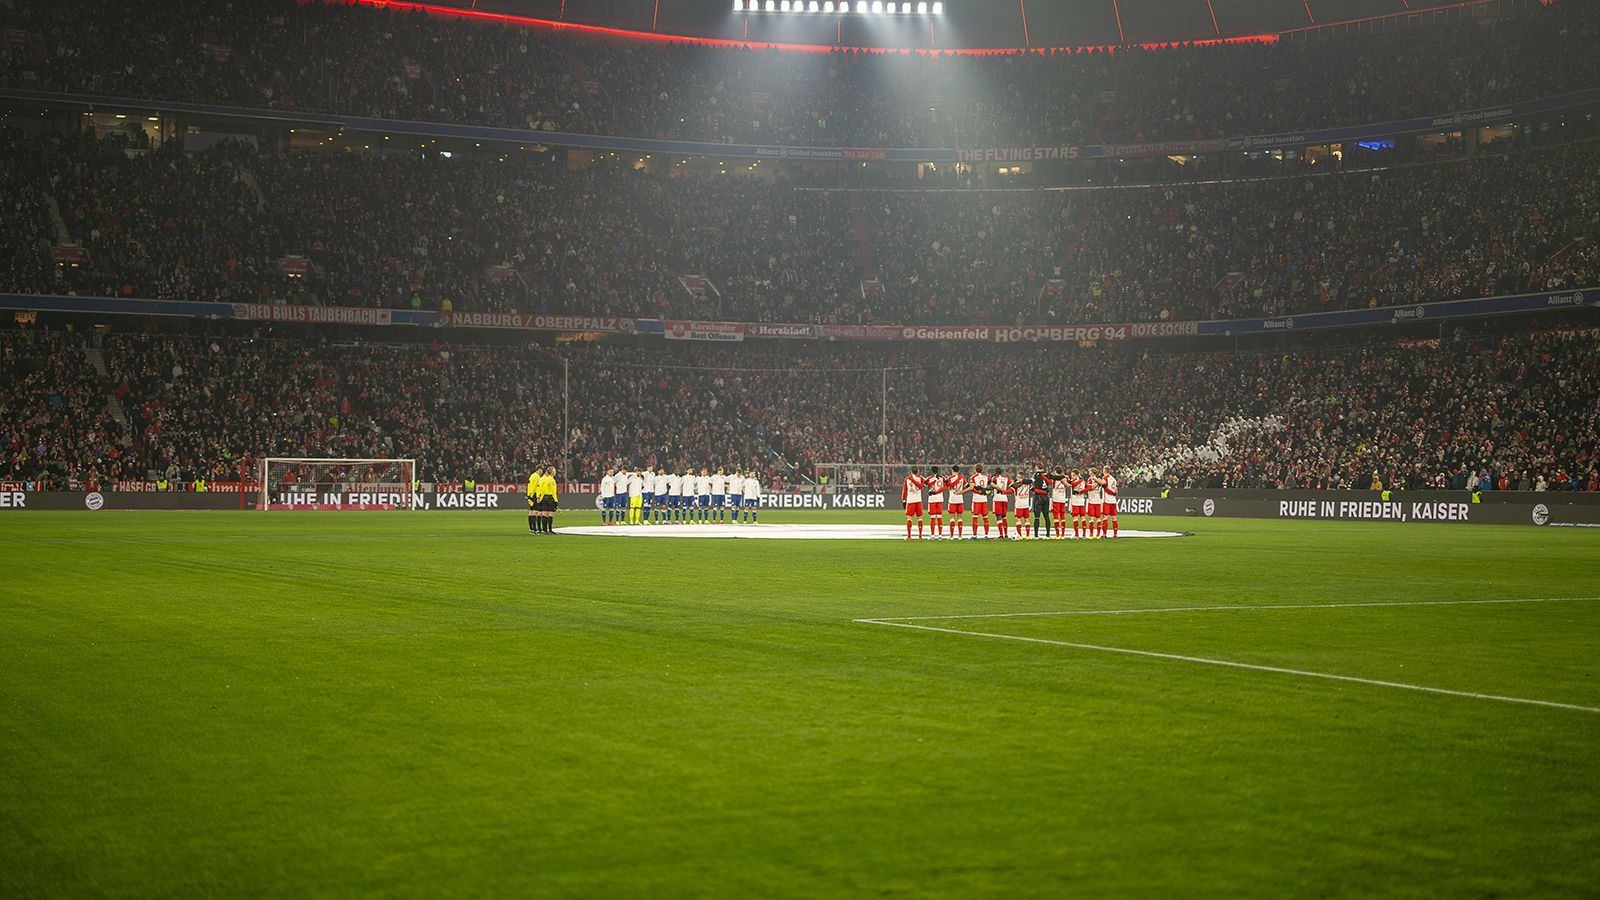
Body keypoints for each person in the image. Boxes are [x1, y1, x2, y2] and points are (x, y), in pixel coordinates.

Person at [902, 466, 925, 541]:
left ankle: (909, 536)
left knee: (909, 518)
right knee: (920, 518)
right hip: (918, 500)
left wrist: (903, 500)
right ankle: (920, 536)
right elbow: (922, 485)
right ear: (917, 471)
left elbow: (904, 491)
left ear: (911, 471)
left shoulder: (907, 479)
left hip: (910, 500)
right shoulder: (921, 478)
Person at [969, 464, 991, 539]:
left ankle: (974, 535)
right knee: (985, 516)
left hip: (976, 499)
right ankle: (986, 535)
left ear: (975, 469)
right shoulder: (986, 476)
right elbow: (989, 487)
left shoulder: (973, 477)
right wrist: (986, 491)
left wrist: (979, 492)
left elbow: (972, 488)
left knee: (975, 516)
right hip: (984, 499)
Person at [946, 465, 967, 539]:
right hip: (960, 499)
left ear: (952, 470)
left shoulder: (949, 478)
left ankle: (951, 536)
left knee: (952, 518)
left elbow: (947, 485)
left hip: (952, 499)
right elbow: (967, 486)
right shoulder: (962, 478)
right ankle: (960, 536)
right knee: (960, 518)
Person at [1030, 468, 1052, 539]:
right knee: (1046, 516)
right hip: (1046, 497)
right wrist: (1045, 492)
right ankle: (1048, 535)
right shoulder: (1047, 474)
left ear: (1036, 468)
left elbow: (1032, 487)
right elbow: (1050, 482)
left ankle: (1036, 535)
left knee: (1037, 517)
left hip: (1038, 497)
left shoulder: (1035, 475)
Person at [925, 469, 947, 539]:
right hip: (940, 499)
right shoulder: (942, 478)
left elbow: (925, 485)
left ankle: (932, 535)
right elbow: (947, 485)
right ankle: (940, 535)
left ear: (931, 471)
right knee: (939, 517)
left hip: (932, 499)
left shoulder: (929, 478)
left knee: (932, 518)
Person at [1049, 467, 1068, 539]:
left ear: (1055, 471)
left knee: (1056, 516)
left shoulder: (1054, 479)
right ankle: (1062, 535)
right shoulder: (1065, 478)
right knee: (1062, 516)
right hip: (1063, 499)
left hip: (1056, 499)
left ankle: (1057, 535)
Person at [991, 469, 1011, 540]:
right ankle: (1006, 535)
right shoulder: (1006, 478)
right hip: (1005, 498)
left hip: (997, 498)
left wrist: (999, 488)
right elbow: (1011, 485)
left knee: (998, 517)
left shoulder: (994, 478)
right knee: (1004, 517)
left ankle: (1000, 535)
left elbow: (992, 484)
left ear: (995, 472)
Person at [1101, 465, 1119, 539]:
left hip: (1107, 500)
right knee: (1114, 518)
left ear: (1104, 470)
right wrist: (1114, 493)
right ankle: (1115, 535)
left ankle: (1104, 534)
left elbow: (1106, 489)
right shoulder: (1113, 479)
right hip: (1113, 501)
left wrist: (1112, 492)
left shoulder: (1105, 478)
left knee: (1105, 517)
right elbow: (1116, 490)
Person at [1070, 468, 1088, 538]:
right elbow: (1088, 488)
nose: (1072, 476)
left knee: (1075, 517)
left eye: (1072, 475)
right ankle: (1084, 534)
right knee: (1083, 517)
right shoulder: (1083, 481)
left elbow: (1073, 483)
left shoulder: (1075, 481)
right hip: (1082, 501)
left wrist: (1078, 492)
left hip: (1075, 501)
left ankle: (1077, 534)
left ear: (1075, 475)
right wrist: (1081, 492)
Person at [1012, 473, 1031, 540]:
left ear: (1018, 477)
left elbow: (1011, 488)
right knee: (1026, 520)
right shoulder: (1028, 484)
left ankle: (1019, 536)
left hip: (1019, 505)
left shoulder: (1016, 485)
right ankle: (1028, 536)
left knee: (1018, 520)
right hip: (1026, 504)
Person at [526, 466, 541, 535]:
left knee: (531, 512)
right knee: (535, 512)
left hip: (530, 495)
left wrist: (529, 496)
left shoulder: (532, 476)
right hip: (534, 495)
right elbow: (535, 487)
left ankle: (531, 529)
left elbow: (529, 486)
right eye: (541, 470)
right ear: (539, 469)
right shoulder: (537, 477)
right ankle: (535, 530)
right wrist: (536, 496)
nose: (542, 472)